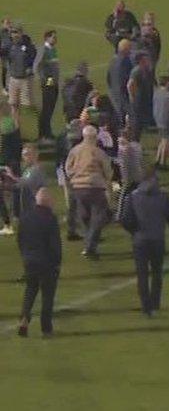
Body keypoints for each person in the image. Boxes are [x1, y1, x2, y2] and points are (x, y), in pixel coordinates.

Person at [120, 170, 169, 317]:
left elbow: (125, 219)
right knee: (157, 273)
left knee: (142, 274)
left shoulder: (133, 197)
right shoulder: (163, 196)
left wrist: (135, 231)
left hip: (140, 240)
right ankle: (155, 302)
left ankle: (146, 306)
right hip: (158, 240)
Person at [16, 188, 61, 338]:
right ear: (48, 201)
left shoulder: (25, 217)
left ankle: (24, 317)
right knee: (47, 296)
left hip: (29, 260)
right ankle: (46, 329)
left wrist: (25, 256)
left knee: (30, 290)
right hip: (47, 262)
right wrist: (57, 262)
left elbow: (20, 239)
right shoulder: (50, 218)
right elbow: (55, 244)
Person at [64, 124, 113, 260]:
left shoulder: (75, 151)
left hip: (78, 188)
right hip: (95, 187)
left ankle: (89, 244)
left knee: (85, 217)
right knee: (97, 218)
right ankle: (90, 247)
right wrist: (106, 181)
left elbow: (68, 168)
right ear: (95, 137)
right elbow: (108, 170)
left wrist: (74, 177)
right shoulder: (98, 152)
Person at [34, 30, 59, 142]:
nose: (55, 39)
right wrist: (48, 81)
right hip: (48, 85)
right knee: (46, 109)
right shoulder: (43, 50)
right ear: (47, 38)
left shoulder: (52, 50)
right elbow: (37, 66)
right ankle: (43, 134)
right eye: (53, 37)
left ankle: (48, 132)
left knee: (50, 109)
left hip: (54, 84)